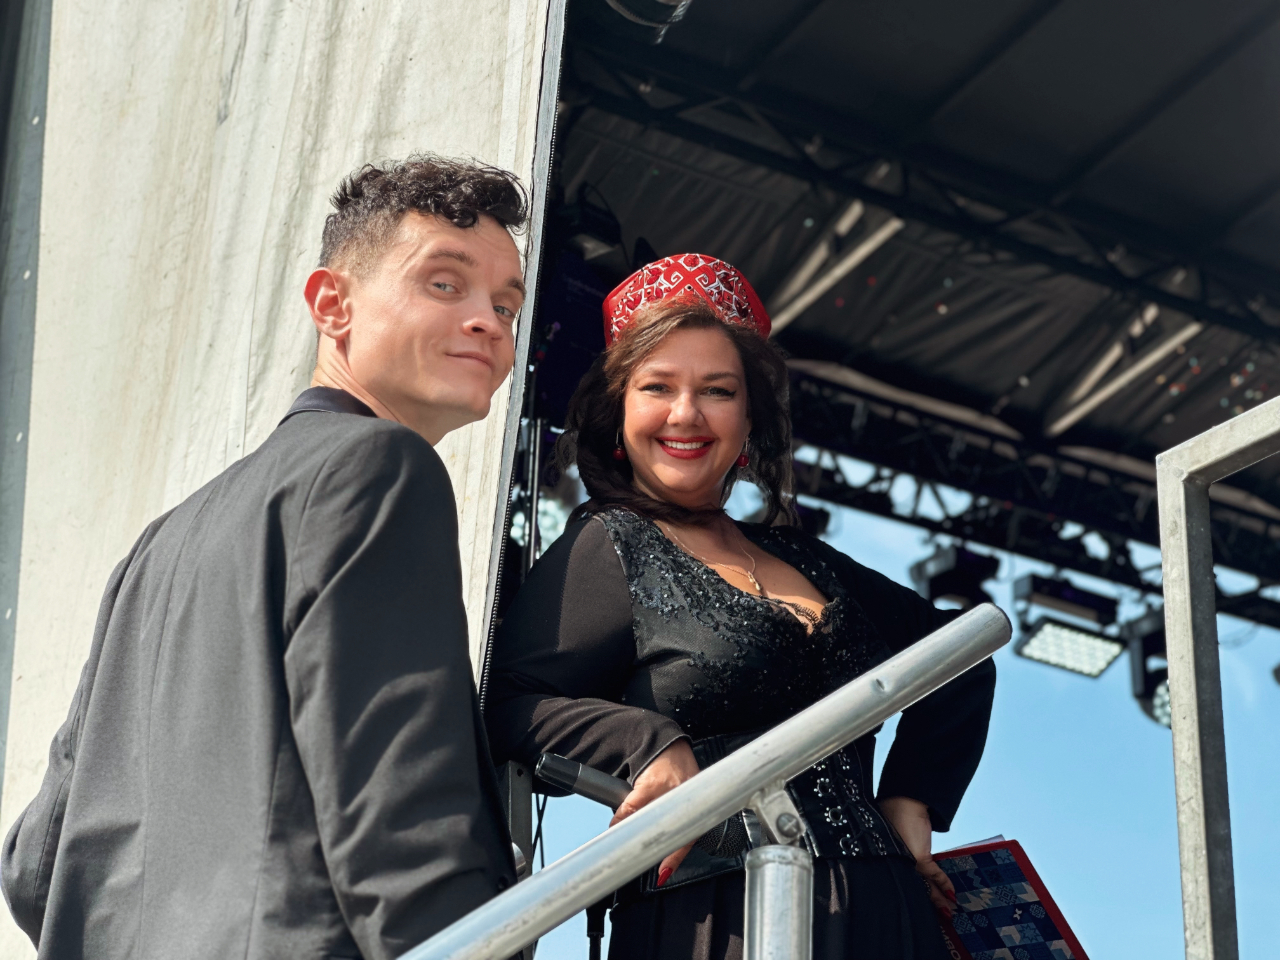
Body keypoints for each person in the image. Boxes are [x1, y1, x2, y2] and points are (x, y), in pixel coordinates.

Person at [2, 155, 529, 960]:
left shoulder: (159, 544)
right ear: (333, 305)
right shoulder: (383, 469)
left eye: (505, 304)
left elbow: (35, 865)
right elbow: (402, 826)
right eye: (444, 283)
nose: (488, 321)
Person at [486, 254, 997, 960]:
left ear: (748, 417)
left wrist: (911, 800)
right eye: (657, 386)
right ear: (618, 411)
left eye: (717, 391)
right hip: (714, 919)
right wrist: (648, 743)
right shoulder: (608, 544)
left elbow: (962, 652)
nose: (686, 413)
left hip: (885, 912)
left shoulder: (806, 557)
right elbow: (505, 701)